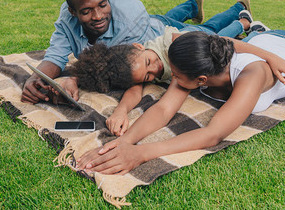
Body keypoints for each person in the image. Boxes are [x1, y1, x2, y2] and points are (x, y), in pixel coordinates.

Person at [75, 0, 285, 175]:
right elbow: (163, 110)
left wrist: (140, 153)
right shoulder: (197, 60)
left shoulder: (252, 74)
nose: (171, 79)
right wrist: (123, 143)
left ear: (201, 80)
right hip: (265, 40)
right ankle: (262, 30)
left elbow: (212, 134)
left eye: (176, 75)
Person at [21, 0, 252, 104]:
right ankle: (192, 5)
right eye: (86, 11)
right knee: (168, 16)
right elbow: (55, 56)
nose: (98, 15)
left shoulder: (130, 18)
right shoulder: (67, 17)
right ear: (73, 11)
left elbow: (112, 67)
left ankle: (240, 14)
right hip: (153, 24)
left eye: (103, 5)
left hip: (164, 37)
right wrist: (35, 78)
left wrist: (75, 78)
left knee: (209, 32)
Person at [72, 15, 273, 136]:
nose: (156, 70)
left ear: (140, 47)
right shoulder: (137, 71)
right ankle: (251, 28)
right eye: (147, 78)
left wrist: (272, 58)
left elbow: (225, 42)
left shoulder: (171, 45)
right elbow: (133, 92)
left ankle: (244, 22)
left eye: (149, 62)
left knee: (217, 33)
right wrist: (120, 111)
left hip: (192, 39)